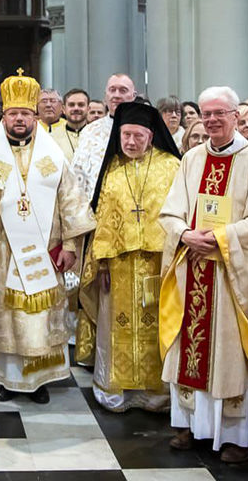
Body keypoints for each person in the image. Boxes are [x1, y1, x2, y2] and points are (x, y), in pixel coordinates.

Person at [159, 86, 248, 464]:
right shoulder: (192, 158)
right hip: (193, 263)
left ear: (234, 115)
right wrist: (184, 234)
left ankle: (236, 435)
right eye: (205, 113)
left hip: (230, 273)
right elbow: (170, 211)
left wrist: (222, 238)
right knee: (191, 343)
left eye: (219, 113)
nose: (211, 120)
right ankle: (192, 424)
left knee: (228, 350)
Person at [0, 72, 93, 404]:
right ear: (5, 117)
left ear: (35, 117)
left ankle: (39, 380)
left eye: (25, 114)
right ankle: (7, 379)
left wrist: (70, 245)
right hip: (5, 251)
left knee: (40, 318)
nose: (19, 119)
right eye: (13, 114)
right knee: (8, 318)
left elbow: (71, 201)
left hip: (47, 250)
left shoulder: (54, 156)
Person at [78, 100, 181, 413]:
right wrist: (103, 261)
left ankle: (157, 393)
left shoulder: (171, 166)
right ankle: (116, 390)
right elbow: (103, 218)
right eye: (126, 136)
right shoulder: (111, 169)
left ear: (151, 136)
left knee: (156, 326)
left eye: (138, 136)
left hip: (158, 263)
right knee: (117, 326)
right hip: (119, 266)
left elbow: (180, 212)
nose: (131, 142)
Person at [70, 74, 138, 198]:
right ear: (105, 95)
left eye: (123, 90)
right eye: (112, 90)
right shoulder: (90, 131)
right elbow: (77, 176)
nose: (116, 95)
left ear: (133, 96)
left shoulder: (146, 130)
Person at [50, 88, 90, 160]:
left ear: (88, 109)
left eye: (81, 105)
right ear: (64, 109)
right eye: (71, 105)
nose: (76, 108)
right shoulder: (52, 138)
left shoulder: (97, 135)